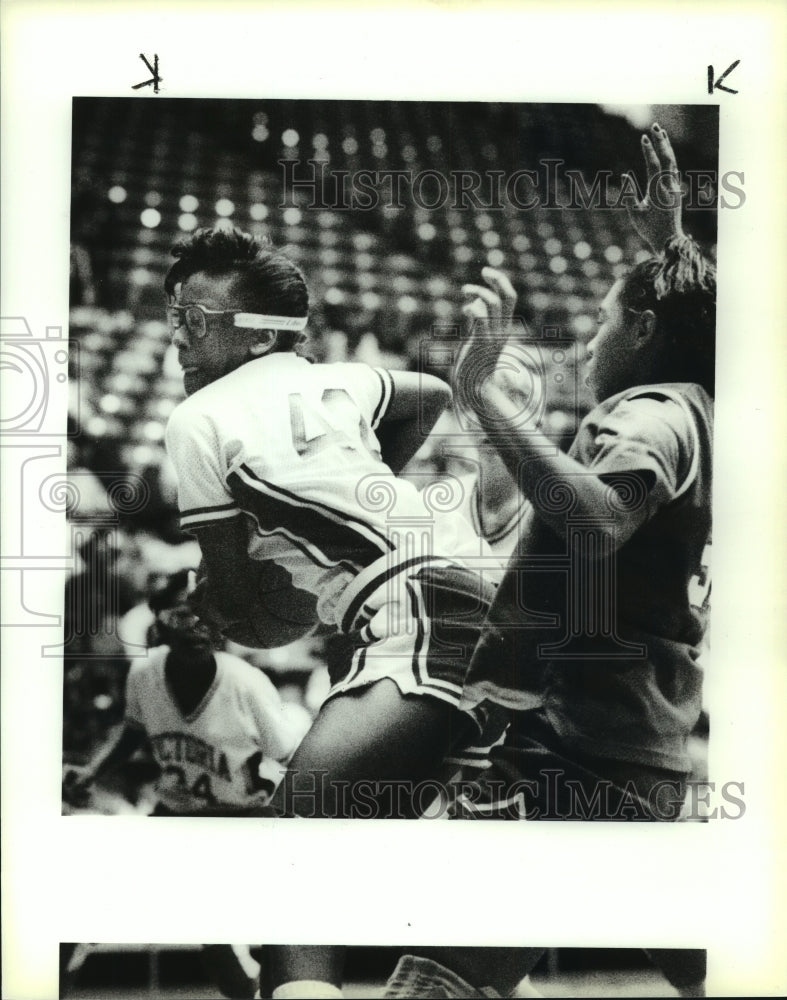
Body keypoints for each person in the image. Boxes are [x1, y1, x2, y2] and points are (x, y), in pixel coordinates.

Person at [383, 123, 712, 999]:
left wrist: (481, 396)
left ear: (642, 328)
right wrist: (671, 246)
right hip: (633, 753)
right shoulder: (713, 409)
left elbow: (598, 522)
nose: (590, 345)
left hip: (575, 758)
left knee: (432, 985)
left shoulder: (646, 412)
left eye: (604, 322)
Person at [161, 226, 502, 998]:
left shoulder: (197, 419)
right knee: (419, 898)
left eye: (198, 319)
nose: (179, 335)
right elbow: (434, 394)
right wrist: (373, 479)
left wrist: (220, 608)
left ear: (256, 337)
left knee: (292, 866)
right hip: (473, 601)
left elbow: (250, 617)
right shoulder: (344, 380)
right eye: (176, 315)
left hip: (414, 613)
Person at [62, 571, 309, 815]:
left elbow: (289, 757)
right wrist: (93, 771)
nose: (195, 627)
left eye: (205, 617)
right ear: (159, 625)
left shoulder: (245, 682)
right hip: (174, 811)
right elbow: (134, 731)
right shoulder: (144, 672)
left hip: (238, 813)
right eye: (182, 616)